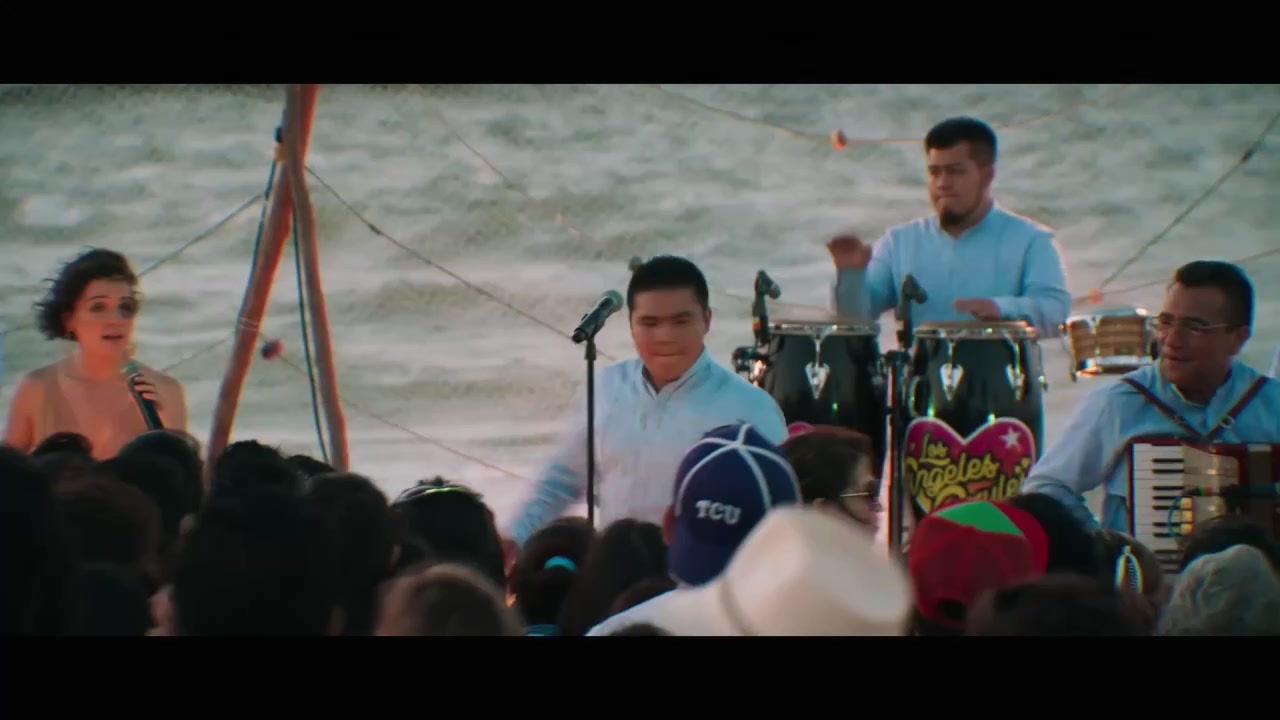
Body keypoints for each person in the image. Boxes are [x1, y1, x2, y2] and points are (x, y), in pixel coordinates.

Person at [502, 256, 788, 551]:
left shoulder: (750, 408)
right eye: (650, 323)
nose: (665, 336)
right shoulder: (606, 388)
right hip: (614, 568)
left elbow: (781, 515)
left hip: (705, 573)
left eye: (681, 321)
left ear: (707, 320)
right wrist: (515, 539)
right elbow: (561, 481)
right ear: (631, 325)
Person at [1020, 260, 1280, 532]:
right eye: (1166, 322)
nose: (1171, 340)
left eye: (1194, 327)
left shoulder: (1269, 404)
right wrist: (1102, 544)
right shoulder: (1120, 403)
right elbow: (1045, 487)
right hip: (1140, 562)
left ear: (1238, 338)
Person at [827, 116, 1071, 339]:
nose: (942, 183)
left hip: (1007, 374)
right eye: (935, 173)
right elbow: (856, 319)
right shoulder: (898, 242)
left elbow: (1055, 312)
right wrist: (851, 275)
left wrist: (1001, 308)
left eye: (956, 172)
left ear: (987, 175)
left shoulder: (1032, 240)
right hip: (919, 374)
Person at [3, 249, 188, 459]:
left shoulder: (165, 391)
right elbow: (8, 472)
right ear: (68, 319)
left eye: (126, 307)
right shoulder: (37, 388)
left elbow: (184, 474)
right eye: (98, 307)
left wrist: (164, 423)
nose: (116, 319)